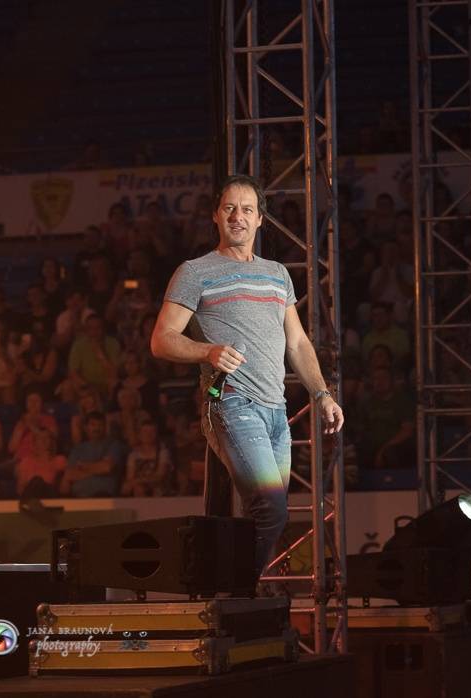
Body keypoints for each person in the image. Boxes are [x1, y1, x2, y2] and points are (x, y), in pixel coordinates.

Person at [150, 174, 344, 581]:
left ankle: (226, 589)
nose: (238, 216)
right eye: (230, 209)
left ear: (260, 221)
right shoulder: (195, 271)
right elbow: (162, 339)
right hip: (231, 402)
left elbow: (298, 343)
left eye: (247, 210)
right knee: (270, 508)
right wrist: (207, 350)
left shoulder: (277, 274)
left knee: (266, 512)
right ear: (216, 217)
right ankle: (231, 590)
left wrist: (322, 393)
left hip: (277, 413)